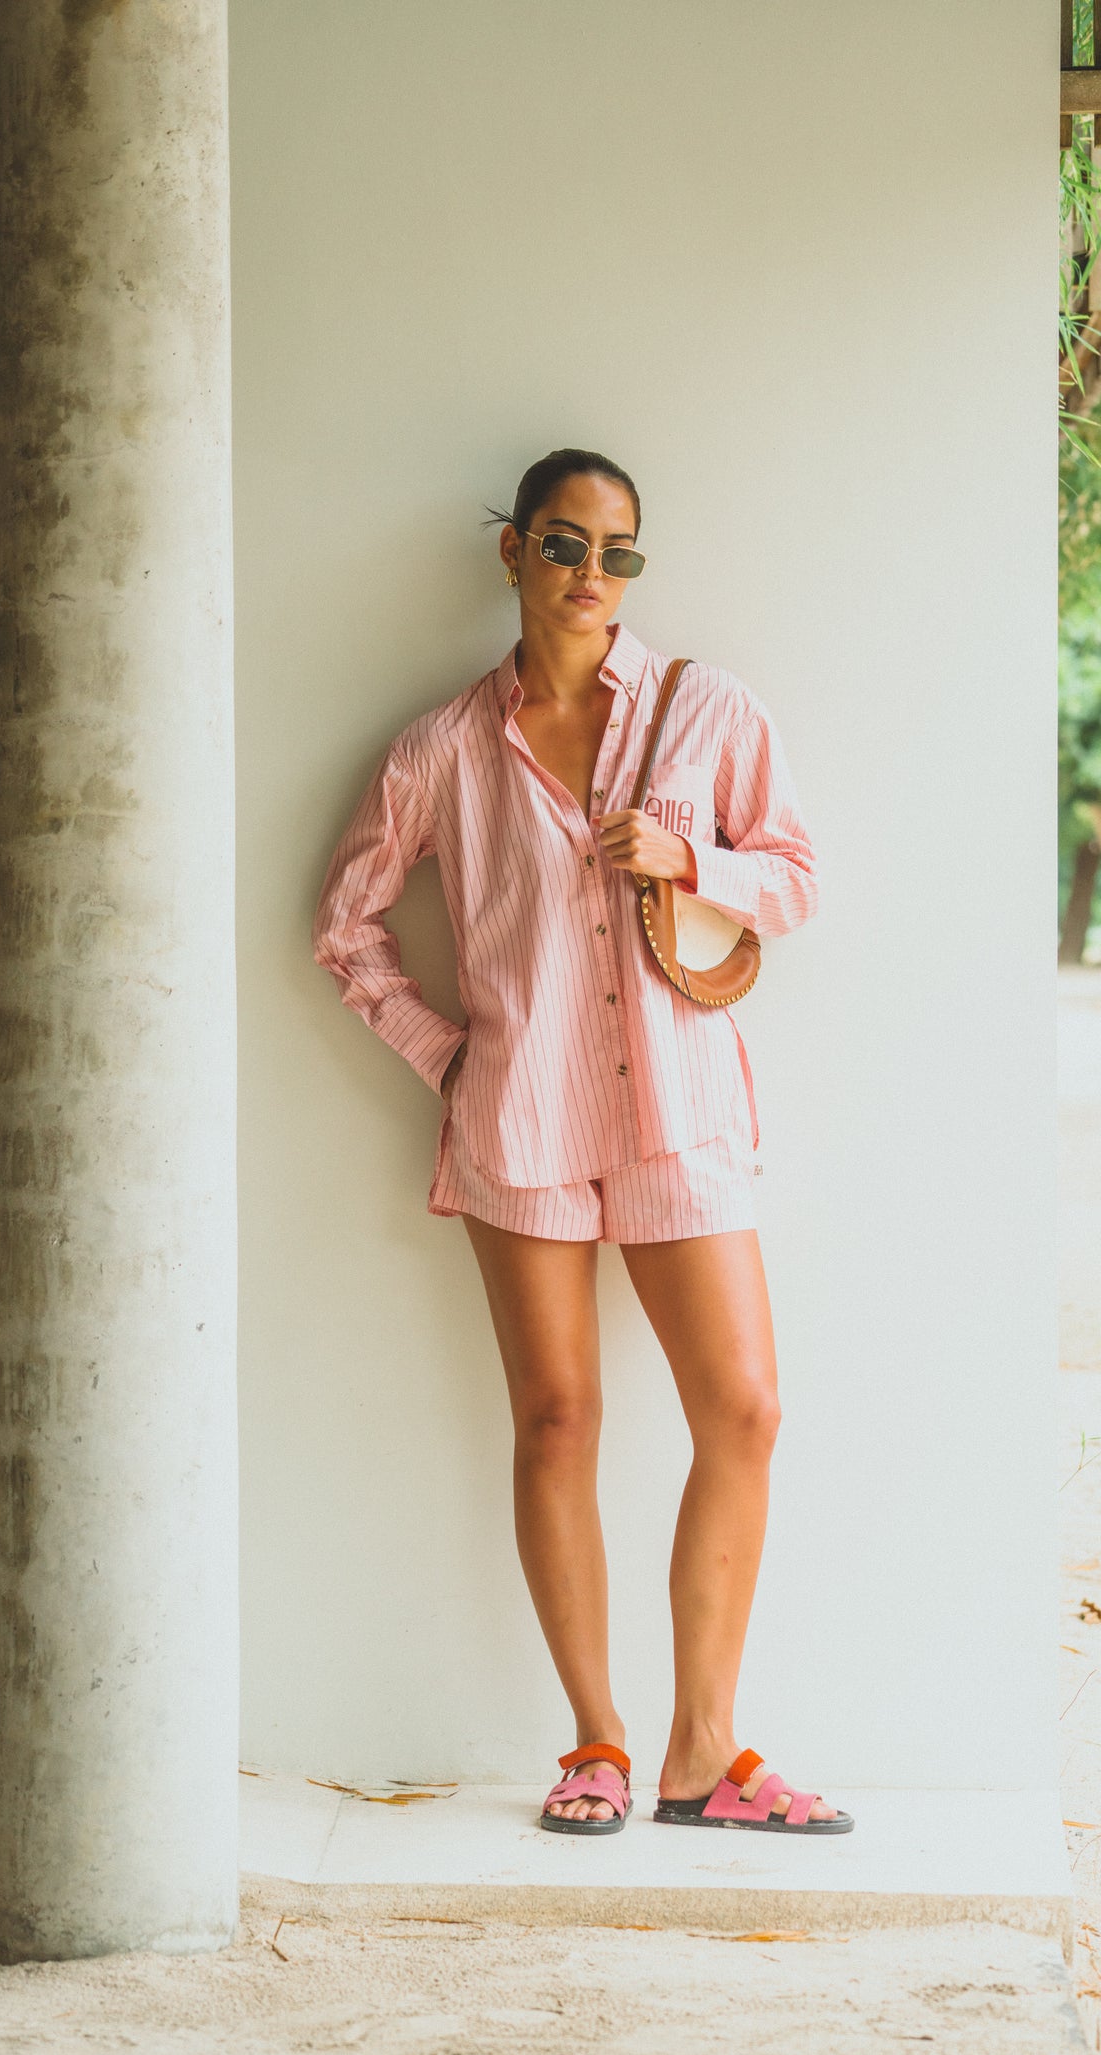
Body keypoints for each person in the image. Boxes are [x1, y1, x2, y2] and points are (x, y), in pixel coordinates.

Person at [313, 448, 852, 1838]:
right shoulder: (441, 749)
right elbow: (344, 928)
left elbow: (795, 876)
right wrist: (451, 1058)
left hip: (679, 1112)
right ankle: (595, 1744)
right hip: (524, 1123)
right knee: (556, 1420)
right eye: (563, 544)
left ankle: (703, 1755)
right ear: (513, 551)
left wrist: (693, 862)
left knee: (744, 1410)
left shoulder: (702, 712)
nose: (589, 576)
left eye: (617, 553)